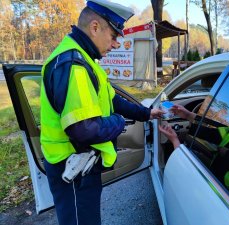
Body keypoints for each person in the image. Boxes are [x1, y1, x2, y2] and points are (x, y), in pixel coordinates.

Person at [40, 1, 164, 224]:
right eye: (114, 36)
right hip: (73, 168)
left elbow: (111, 99)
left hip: (79, 164)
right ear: (95, 27)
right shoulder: (74, 65)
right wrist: (118, 122)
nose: (116, 44)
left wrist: (146, 114)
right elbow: (84, 130)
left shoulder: (84, 60)